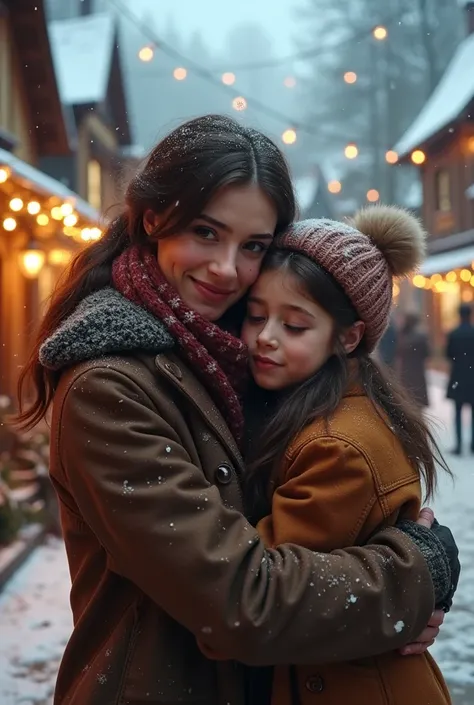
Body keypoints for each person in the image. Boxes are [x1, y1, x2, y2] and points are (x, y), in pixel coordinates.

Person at [15, 116, 457, 705]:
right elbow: (241, 600)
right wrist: (413, 579)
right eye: (205, 232)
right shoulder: (109, 387)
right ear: (153, 219)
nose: (227, 268)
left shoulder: (234, 352)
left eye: (253, 246)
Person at [239, 208, 452, 704]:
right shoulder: (313, 407)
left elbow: (263, 582)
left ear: (348, 337)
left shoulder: (337, 447)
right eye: (255, 316)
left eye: (293, 325)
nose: (266, 336)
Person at [446, 303, 474, 454]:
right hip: (473, 377)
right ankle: (473, 444)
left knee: (457, 412)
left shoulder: (454, 333)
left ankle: (458, 445)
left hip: (458, 376)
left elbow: (448, 354)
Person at [397, 311, 430, 407]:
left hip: (406, 371)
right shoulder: (421, 337)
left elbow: (398, 352)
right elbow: (427, 354)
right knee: (418, 400)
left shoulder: (402, 336)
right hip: (418, 371)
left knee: (407, 401)